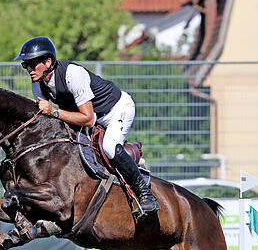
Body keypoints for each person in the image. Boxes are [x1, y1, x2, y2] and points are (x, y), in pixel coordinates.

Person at [14, 36, 159, 218]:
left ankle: (146, 194)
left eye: (32, 64)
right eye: (25, 65)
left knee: (109, 147)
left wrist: (55, 112)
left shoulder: (72, 74)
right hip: (91, 116)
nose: (28, 70)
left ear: (48, 62)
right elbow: (42, 113)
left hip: (116, 110)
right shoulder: (38, 82)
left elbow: (88, 119)